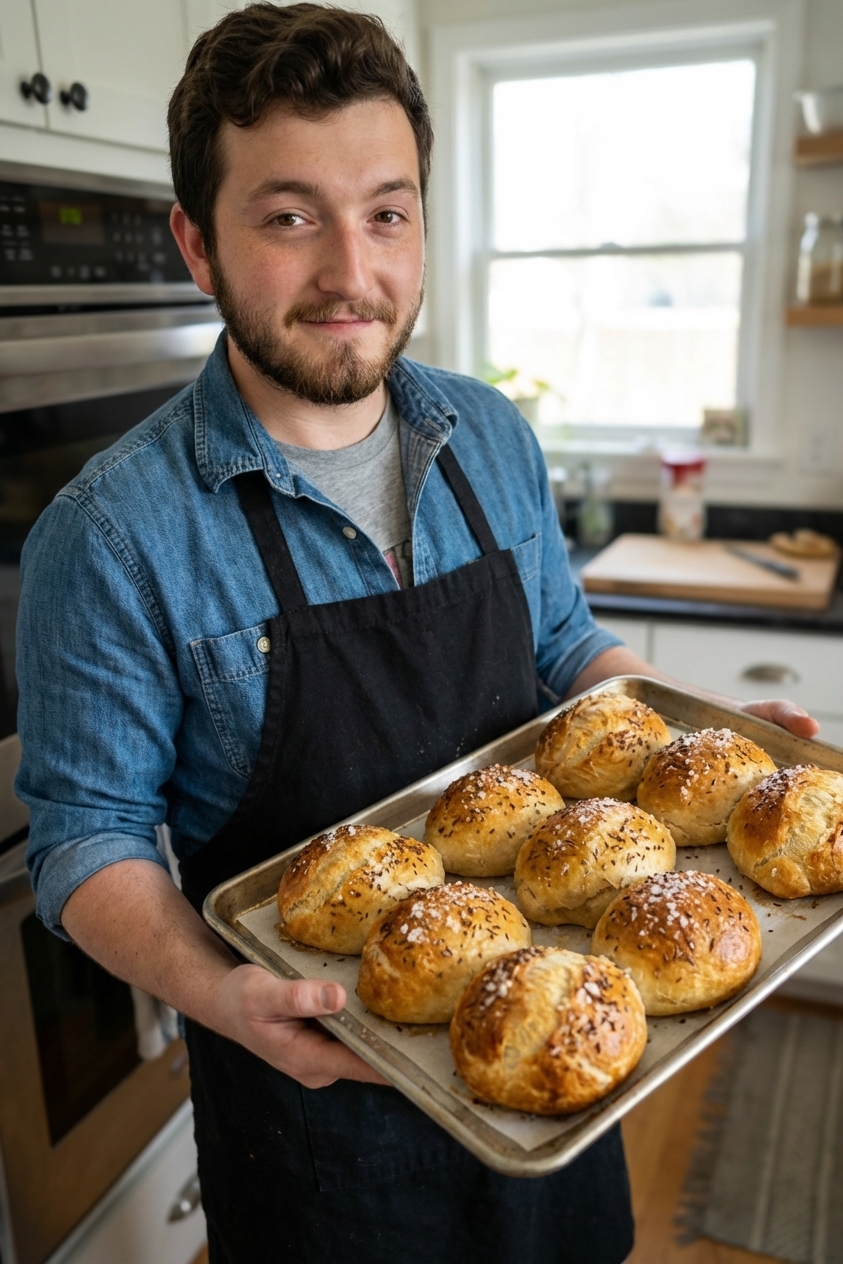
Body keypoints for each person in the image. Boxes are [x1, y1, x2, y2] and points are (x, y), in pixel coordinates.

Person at [16, 6, 819, 1262]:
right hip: (317, 1111)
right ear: (196, 241)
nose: (351, 270)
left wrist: (697, 736)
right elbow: (85, 838)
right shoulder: (109, 535)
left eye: (387, 213)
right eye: (290, 217)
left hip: (562, 1046)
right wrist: (224, 991)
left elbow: (566, 652)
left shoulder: (489, 435)